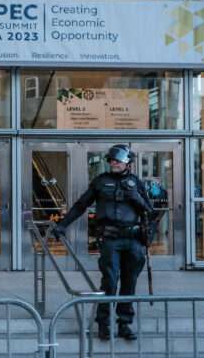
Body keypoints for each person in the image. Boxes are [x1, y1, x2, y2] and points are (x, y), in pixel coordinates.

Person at [53, 144, 153, 341]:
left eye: (117, 160)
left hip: (133, 240)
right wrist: (63, 225)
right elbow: (81, 205)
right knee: (110, 280)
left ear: (127, 163)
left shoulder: (135, 183)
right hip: (110, 240)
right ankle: (103, 324)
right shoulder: (100, 182)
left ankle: (124, 323)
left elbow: (149, 210)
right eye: (111, 160)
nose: (113, 163)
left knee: (129, 282)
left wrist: (134, 197)